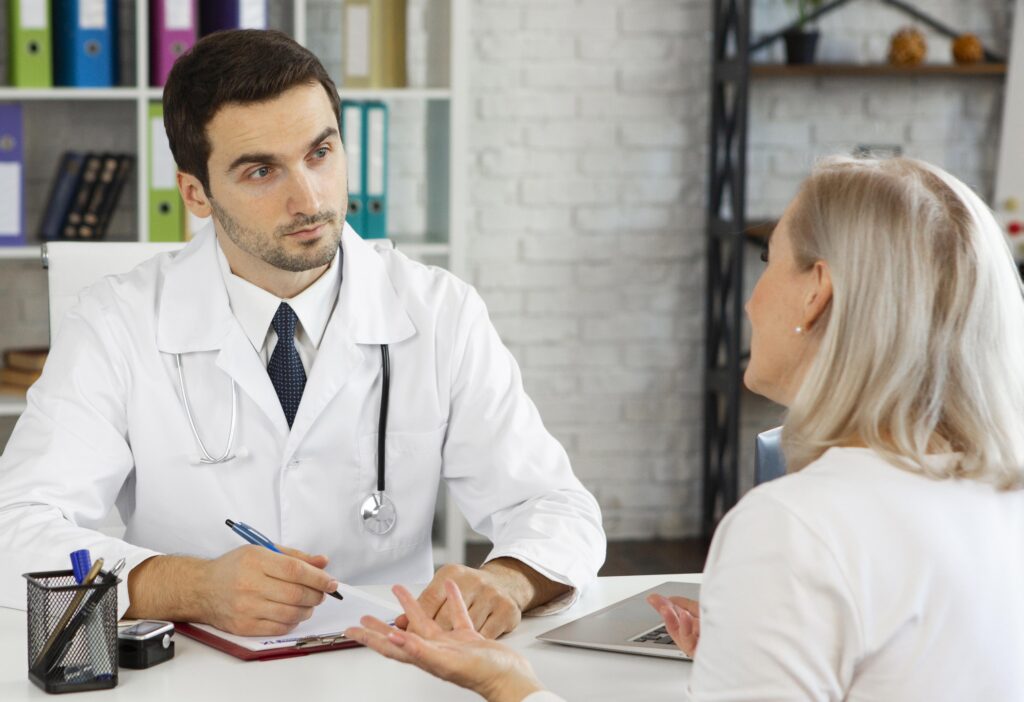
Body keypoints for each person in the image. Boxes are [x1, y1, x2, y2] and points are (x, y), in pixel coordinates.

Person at [346, 156, 1024, 700]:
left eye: (769, 262)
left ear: (818, 292)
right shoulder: (1000, 496)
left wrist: (509, 685)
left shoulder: (794, 528)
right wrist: (755, 657)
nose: (754, 300)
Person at [0, 30, 605, 638]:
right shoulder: (116, 321)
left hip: (388, 660)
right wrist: (193, 587)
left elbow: (554, 505)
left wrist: (509, 578)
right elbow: (16, 526)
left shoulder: (439, 311)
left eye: (321, 153)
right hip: (194, 666)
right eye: (261, 170)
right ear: (195, 193)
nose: (309, 198)